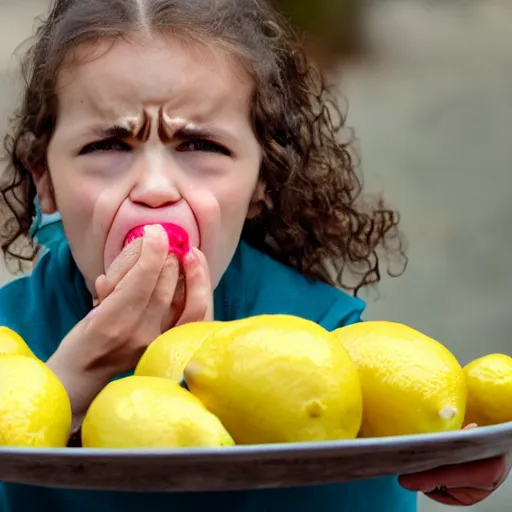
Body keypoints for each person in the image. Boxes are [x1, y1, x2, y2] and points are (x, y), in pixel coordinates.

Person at [0, 1, 508, 511]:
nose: (154, 189)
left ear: (263, 179)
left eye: (199, 144)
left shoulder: (330, 349)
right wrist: (69, 383)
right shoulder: (8, 338)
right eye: (108, 144)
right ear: (44, 178)